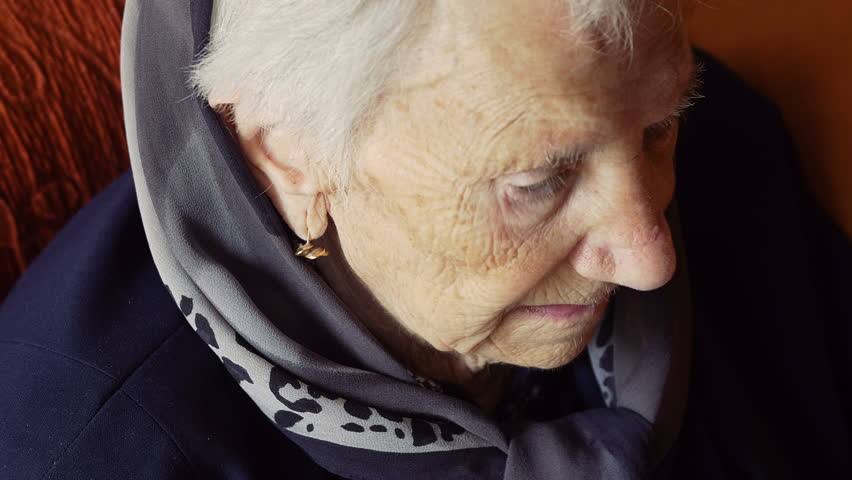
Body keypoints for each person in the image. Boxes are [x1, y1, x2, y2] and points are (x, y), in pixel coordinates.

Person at [1, 0, 850, 478]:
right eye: (538, 182)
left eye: (664, 124)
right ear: (286, 155)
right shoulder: (82, 452)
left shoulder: (727, 150)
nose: (650, 253)